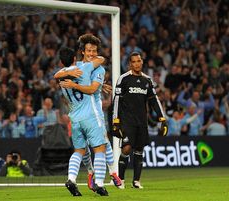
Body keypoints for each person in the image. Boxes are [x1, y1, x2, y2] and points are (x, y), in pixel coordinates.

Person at [58, 33, 122, 189]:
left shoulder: (94, 69)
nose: (92, 54)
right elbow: (91, 88)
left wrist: (100, 86)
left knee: (101, 142)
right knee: (95, 146)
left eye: (94, 51)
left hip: (84, 113)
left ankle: (112, 172)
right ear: (82, 52)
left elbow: (93, 87)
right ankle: (93, 175)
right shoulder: (83, 66)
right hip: (89, 112)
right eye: (89, 51)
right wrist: (82, 86)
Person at [54, 45, 108, 196]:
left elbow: (56, 74)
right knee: (100, 149)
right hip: (90, 115)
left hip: (75, 118)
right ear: (74, 59)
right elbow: (101, 60)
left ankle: (71, 179)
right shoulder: (83, 69)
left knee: (78, 151)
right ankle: (99, 184)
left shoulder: (61, 76)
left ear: (61, 62)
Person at [112, 52, 168, 189]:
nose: (137, 63)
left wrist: (163, 119)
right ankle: (121, 180)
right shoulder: (123, 79)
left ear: (142, 62)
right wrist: (116, 121)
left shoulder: (147, 80)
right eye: (134, 61)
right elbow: (117, 100)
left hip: (142, 121)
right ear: (130, 64)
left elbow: (154, 100)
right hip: (127, 121)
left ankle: (136, 181)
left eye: (139, 61)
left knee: (139, 150)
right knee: (126, 148)